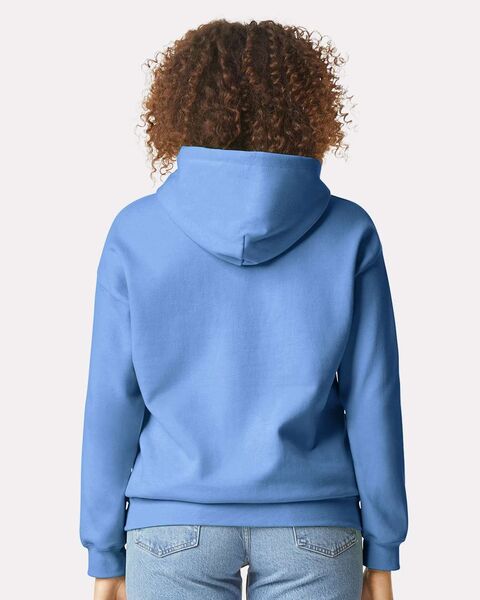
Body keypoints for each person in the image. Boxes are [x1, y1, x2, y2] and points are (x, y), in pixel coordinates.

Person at [80, 19, 408, 600]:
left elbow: (112, 401)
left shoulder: (136, 231)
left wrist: (105, 554)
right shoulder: (348, 230)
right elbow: (373, 396)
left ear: (181, 106)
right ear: (306, 107)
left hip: (171, 525)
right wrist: (383, 550)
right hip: (315, 524)